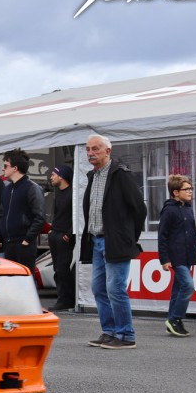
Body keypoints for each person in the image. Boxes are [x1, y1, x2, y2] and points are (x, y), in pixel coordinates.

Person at [79, 134, 147, 349]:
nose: (91, 153)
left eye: (95, 149)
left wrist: (128, 237)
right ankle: (109, 331)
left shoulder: (121, 175)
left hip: (115, 242)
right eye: (88, 149)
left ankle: (126, 335)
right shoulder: (92, 176)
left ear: (108, 151)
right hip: (97, 240)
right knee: (99, 288)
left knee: (115, 288)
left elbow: (139, 209)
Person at [158, 175, 196, 337]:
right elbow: (162, 236)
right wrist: (164, 259)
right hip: (175, 257)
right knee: (188, 286)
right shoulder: (169, 210)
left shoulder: (188, 208)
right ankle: (176, 319)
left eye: (191, 189)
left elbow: (192, 235)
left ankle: (172, 320)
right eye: (186, 189)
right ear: (176, 192)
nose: (190, 192)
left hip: (187, 257)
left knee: (177, 289)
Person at [0, 148, 45, 276]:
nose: (3, 169)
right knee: (12, 282)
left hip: (24, 244)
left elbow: (40, 217)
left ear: (15, 168)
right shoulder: (7, 189)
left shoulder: (32, 188)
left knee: (26, 281)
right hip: (9, 244)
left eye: (5, 166)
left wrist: (27, 240)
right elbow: (1, 215)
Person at [48, 165, 75, 310]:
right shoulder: (58, 193)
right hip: (56, 234)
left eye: (53, 174)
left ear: (62, 176)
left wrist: (69, 233)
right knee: (57, 268)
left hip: (65, 236)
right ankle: (62, 297)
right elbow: (57, 215)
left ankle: (67, 299)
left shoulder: (73, 194)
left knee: (63, 268)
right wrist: (52, 231)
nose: (51, 177)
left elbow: (77, 216)